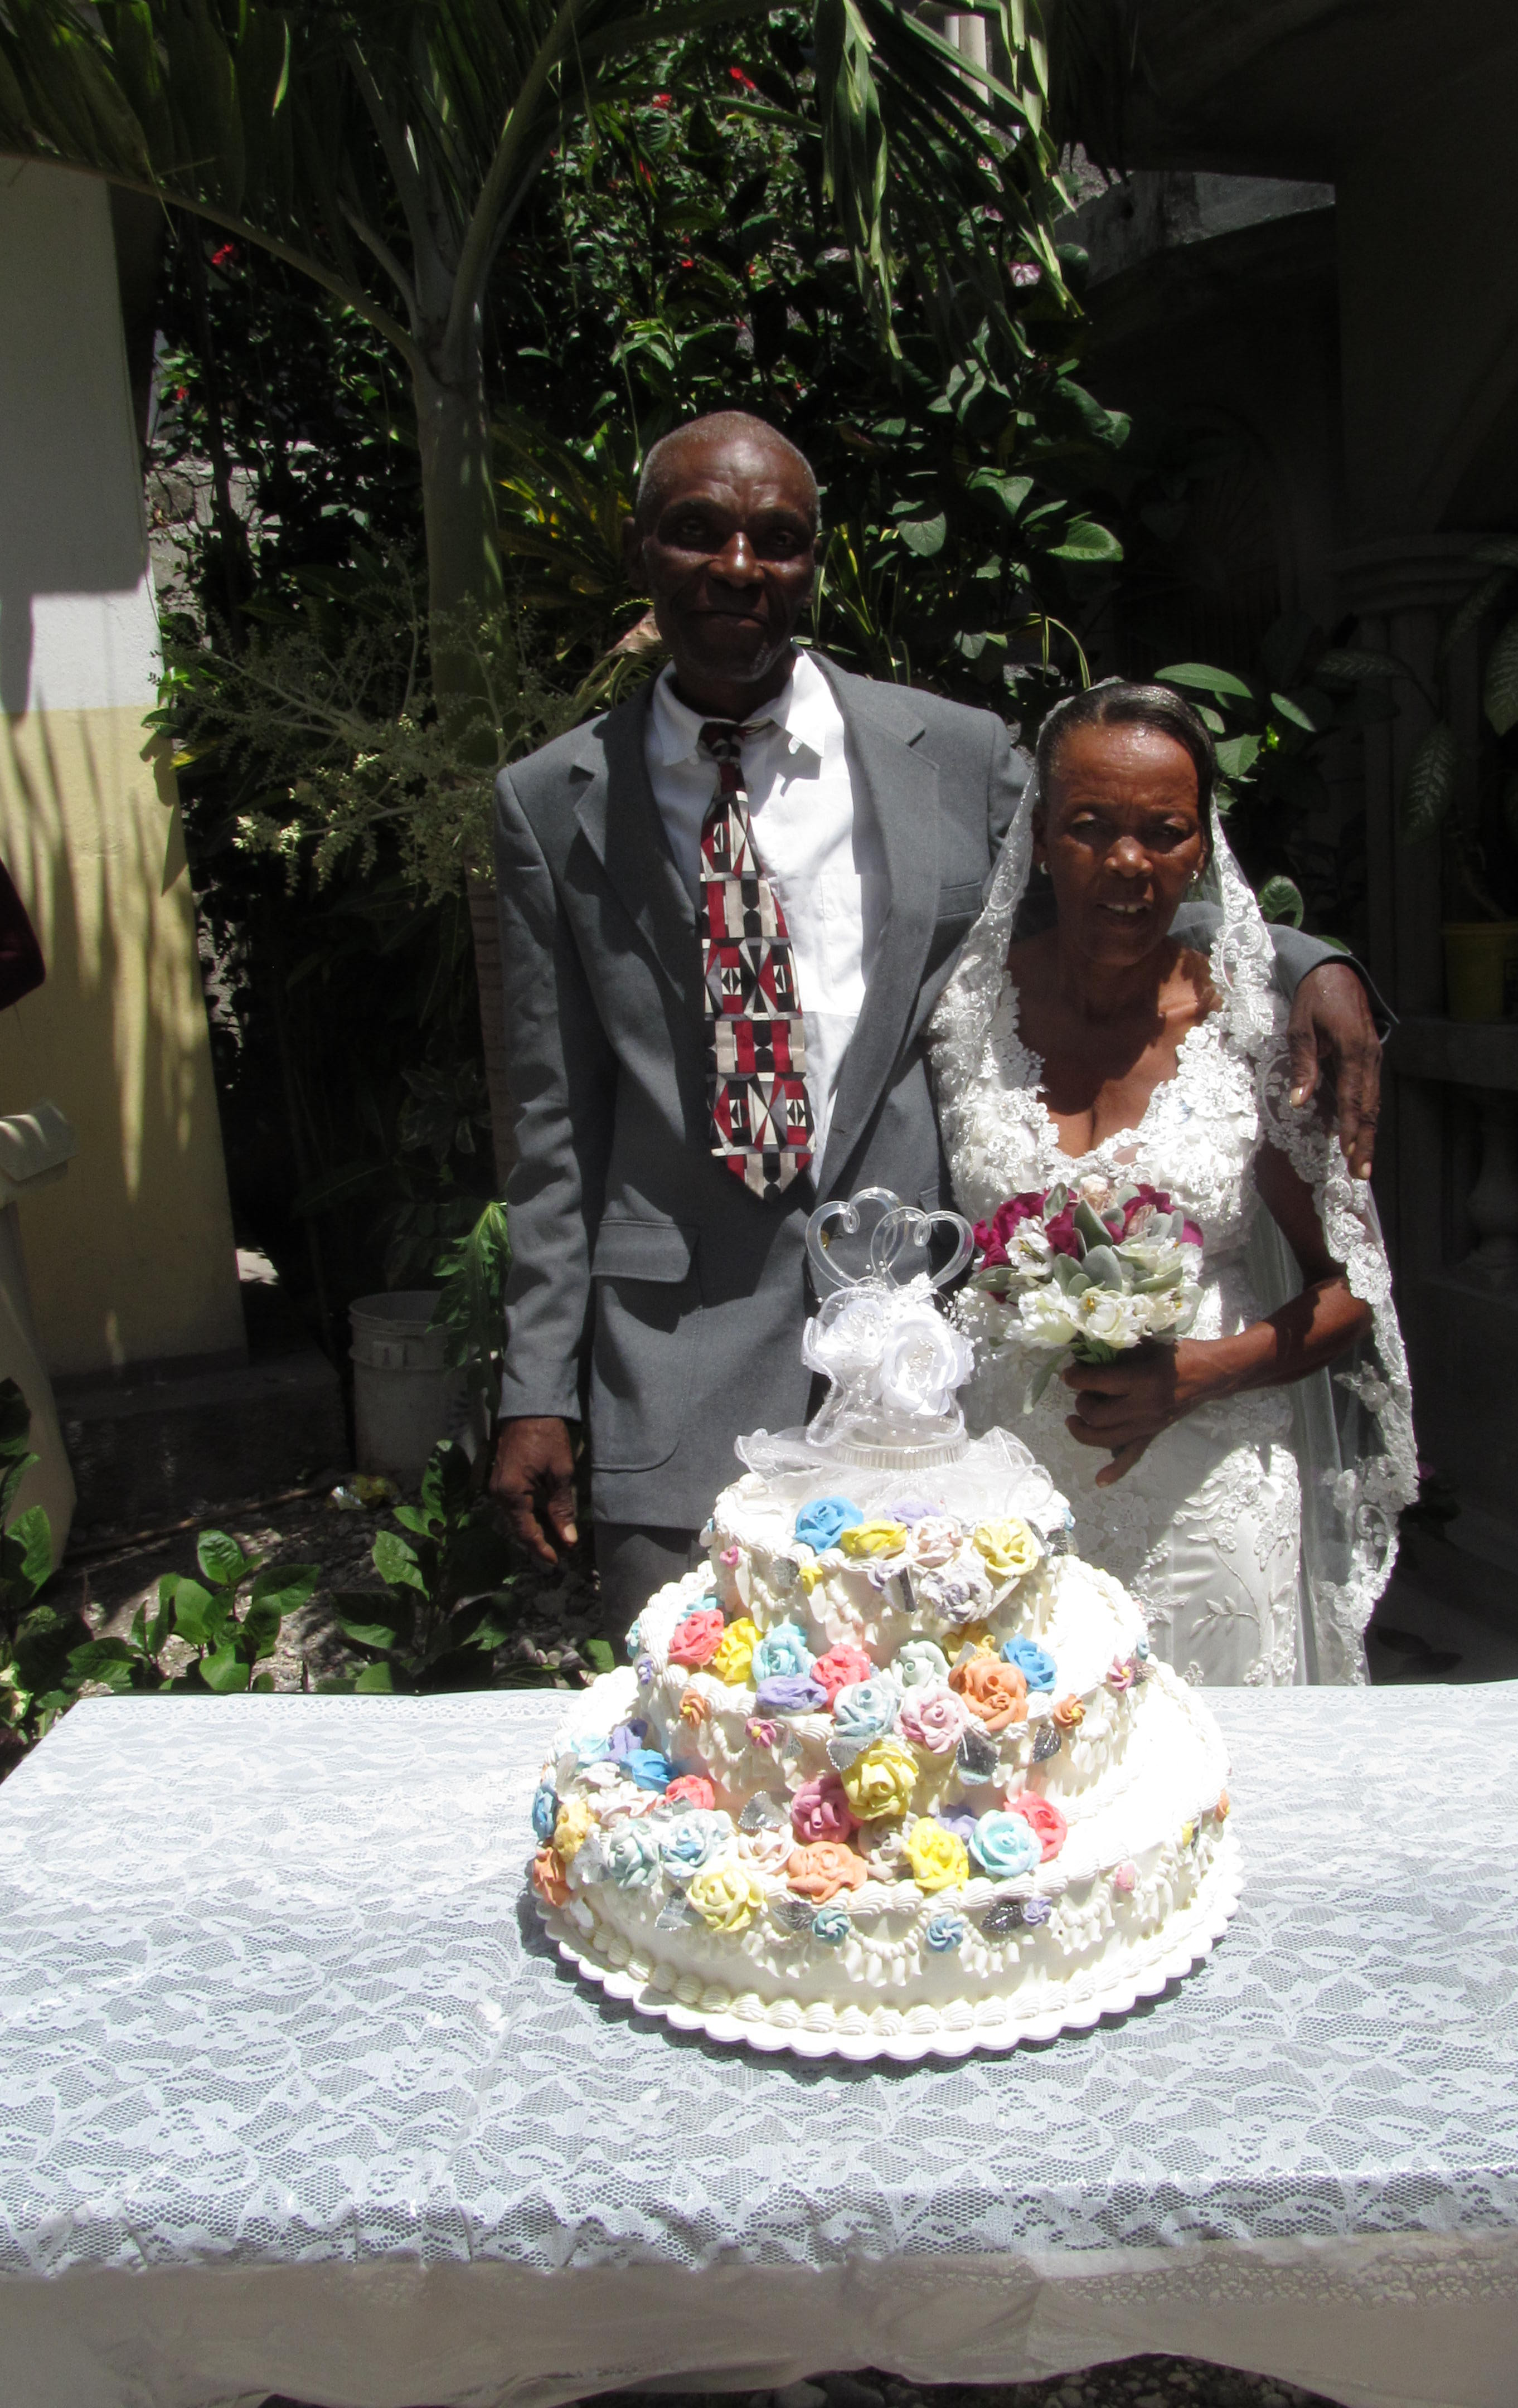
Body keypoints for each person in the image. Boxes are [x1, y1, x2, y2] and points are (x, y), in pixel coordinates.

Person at [488, 409, 1391, 1627]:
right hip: (677, 1362)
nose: (738, 569)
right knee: (706, 1741)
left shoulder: (950, 756)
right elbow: (554, 1123)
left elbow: (1114, 878)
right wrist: (536, 1385)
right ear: (643, 550)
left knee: (931, 1733)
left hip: (934, 1370)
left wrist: (1308, 960)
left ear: (813, 561)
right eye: (699, 533)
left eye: (778, 539)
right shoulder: (553, 804)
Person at [927, 681, 1415, 1686]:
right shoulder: (965, 1015)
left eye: (1165, 833)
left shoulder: (1255, 1034)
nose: (1127, 866)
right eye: (1091, 828)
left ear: (1204, 850)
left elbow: (1355, 1288)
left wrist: (1204, 1370)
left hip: (1212, 1497)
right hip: (1004, 1489)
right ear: (1039, 837)